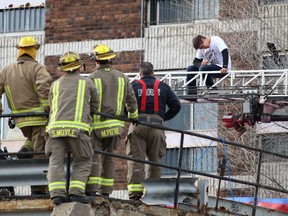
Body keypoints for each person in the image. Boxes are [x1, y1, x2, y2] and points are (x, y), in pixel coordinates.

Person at [45, 51, 99, 205]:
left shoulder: (55, 84)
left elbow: (50, 105)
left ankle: (57, 194)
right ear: (79, 67)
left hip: (54, 129)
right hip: (77, 129)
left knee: (55, 161)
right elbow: (95, 105)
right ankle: (76, 192)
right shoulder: (87, 82)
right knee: (83, 160)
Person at [0, 36, 51, 195]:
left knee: (34, 141)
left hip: (21, 121)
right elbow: (44, 86)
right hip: (39, 119)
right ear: (33, 50)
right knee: (41, 154)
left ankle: (24, 150)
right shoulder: (37, 69)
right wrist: (48, 108)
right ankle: (38, 190)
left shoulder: (7, 70)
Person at [86, 44, 138, 197]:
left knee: (94, 157)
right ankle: (106, 191)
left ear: (96, 61)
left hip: (95, 126)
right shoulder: (122, 77)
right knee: (108, 158)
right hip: (115, 126)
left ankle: (92, 189)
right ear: (110, 59)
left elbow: (86, 102)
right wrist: (133, 117)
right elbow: (131, 100)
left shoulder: (91, 78)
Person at [126, 62, 181, 200]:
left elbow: (123, 105)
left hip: (138, 126)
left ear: (140, 74)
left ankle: (135, 196)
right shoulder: (163, 87)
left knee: (136, 161)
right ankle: (153, 195)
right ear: (153, 73)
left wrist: (128, 117)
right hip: (157, 127)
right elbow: (176, 106)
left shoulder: (134, 86)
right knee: (155, 162)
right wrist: (163, 118)